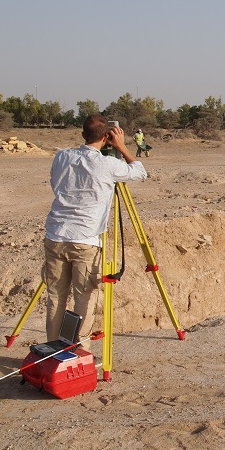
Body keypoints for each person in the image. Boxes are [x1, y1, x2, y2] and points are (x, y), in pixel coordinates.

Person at [43, 115, 148, 350]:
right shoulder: (109, 165)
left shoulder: (62, 156)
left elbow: (55, 183)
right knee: (84, 298)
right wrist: (121, 146)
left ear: (82, 135)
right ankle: (79, 352)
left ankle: (50, 351)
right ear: (106, 137)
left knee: (55, 297)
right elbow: (140, 172)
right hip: (85, 240)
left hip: (55, 235)